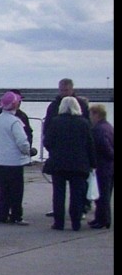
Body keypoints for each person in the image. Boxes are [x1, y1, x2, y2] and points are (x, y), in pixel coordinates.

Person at [42, 96, 96, 231]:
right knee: (77, 194)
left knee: (58, 194)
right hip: (79, 163)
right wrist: (93, 163)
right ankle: (76, 223)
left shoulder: (55, 122)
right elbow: (90, 145)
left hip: (59, 163)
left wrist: (54, 151)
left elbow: (47, 141)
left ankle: (58, 223)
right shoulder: (84, 123)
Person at [0, 90, 34, 216]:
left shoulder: (17, 116)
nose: (20, 103)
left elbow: (28, 133)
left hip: (0, 155)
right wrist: (26, 149)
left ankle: (2, 212)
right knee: (0, 182)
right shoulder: (8, 117)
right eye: (18, 100)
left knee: (4, 186)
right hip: (2, 155)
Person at [88, 104, 113, 229]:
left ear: (96, 114)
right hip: (108, 166)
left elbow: (105, 146)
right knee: (104, 193)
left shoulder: (98, 129)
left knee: (102, 194)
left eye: (91, 114)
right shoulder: (108, 126)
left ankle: (104, 220)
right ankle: (100, 218)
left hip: (103, 165)